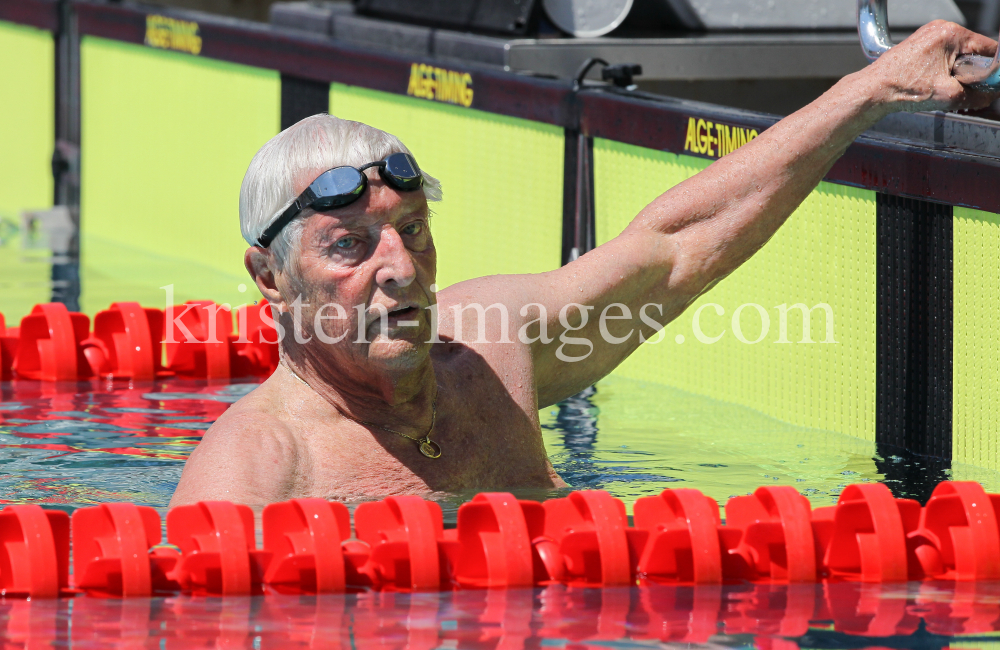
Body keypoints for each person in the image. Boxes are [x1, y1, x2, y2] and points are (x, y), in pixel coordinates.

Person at [169, 21, 998, 508]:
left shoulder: (494, 355)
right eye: (350, 245)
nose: (399, 268)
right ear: (269, 278)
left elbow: (675, 248)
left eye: (413, 230)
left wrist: (877, 86)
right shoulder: (254, 477)